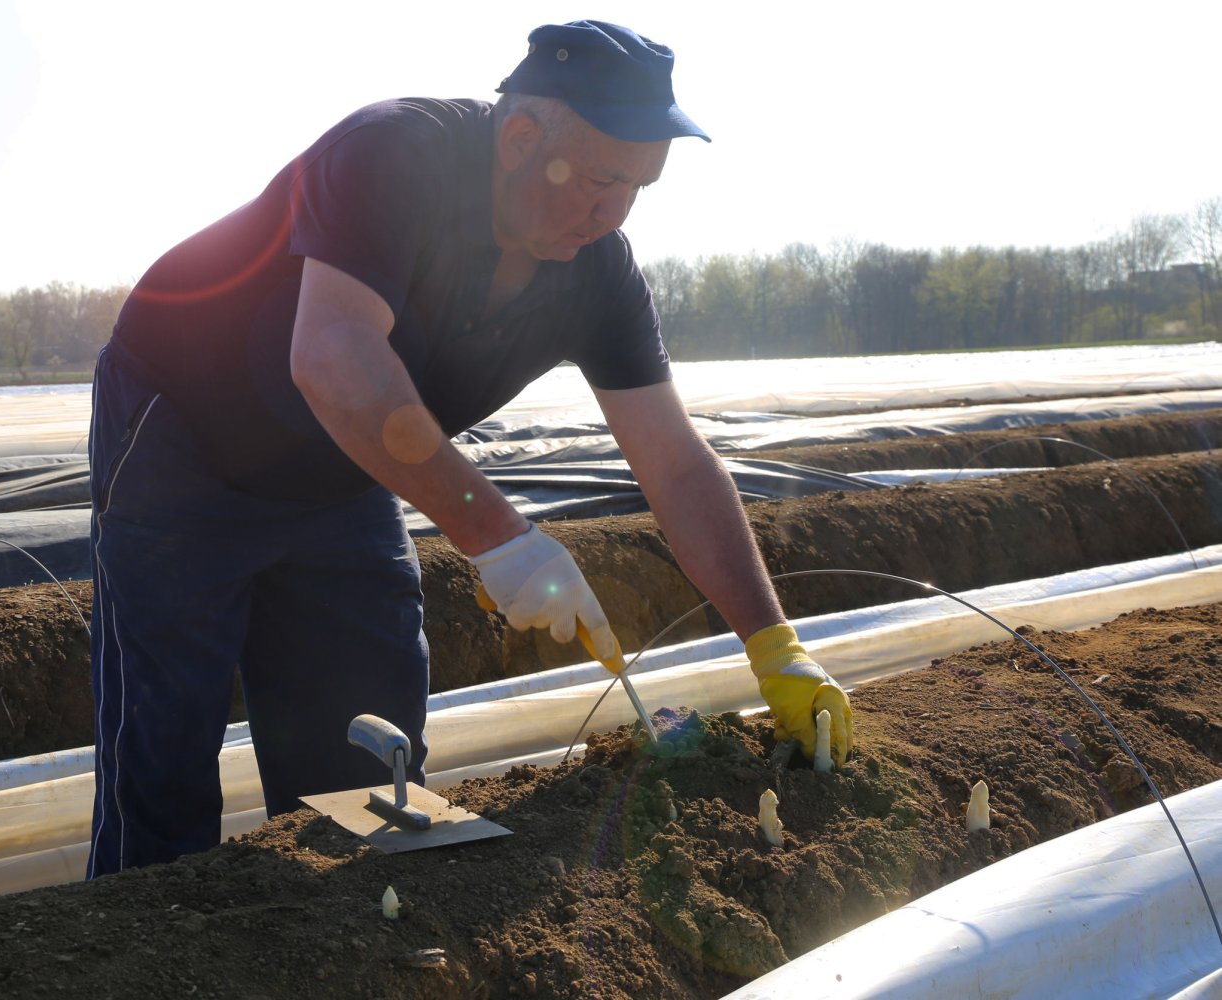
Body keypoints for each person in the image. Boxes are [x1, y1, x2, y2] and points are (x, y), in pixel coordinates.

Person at [86, 19, 853, 877]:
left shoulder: (597, 274)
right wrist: (503, 539)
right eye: (599, 180)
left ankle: (358, 934)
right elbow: (334, 359)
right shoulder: (394, 157)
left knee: (366, 750)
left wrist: (773, 643)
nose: (613, 215)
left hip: (345, 466)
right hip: (186, 435)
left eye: (637, 188)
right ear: (520, 136)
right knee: (163, 744)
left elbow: (672, 461)